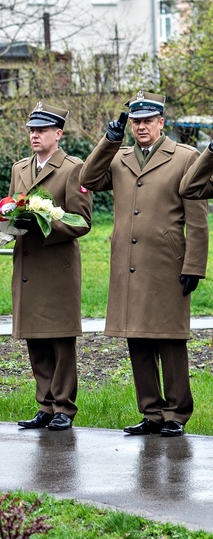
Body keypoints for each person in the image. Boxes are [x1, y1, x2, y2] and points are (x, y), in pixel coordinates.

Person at [80, 91, 208, 437]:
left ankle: (177, 413)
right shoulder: (119, 158)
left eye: (147, 121)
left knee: (169, 339)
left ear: (161, 122)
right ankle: (151, 412)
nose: (141, 127)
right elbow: (88, 180)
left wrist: (195, 265)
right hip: (129, 263)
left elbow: (197, 217)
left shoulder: (184, 157)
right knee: (136, 339)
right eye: (135, 122)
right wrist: (109, 140)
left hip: (168, 263)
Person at [0, 103, 92, 431]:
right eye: (32, 130)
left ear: (58, 134)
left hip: (57, 265)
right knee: (35, 338)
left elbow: (82, 222)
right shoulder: (20, 167)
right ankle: (45, 405)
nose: (34, 135)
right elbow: (11, 209)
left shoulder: (73, 168)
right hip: (28, 266)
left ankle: (63, 407)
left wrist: (42, 223)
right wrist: (0, 225)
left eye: (42, 130)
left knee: (60, 339)